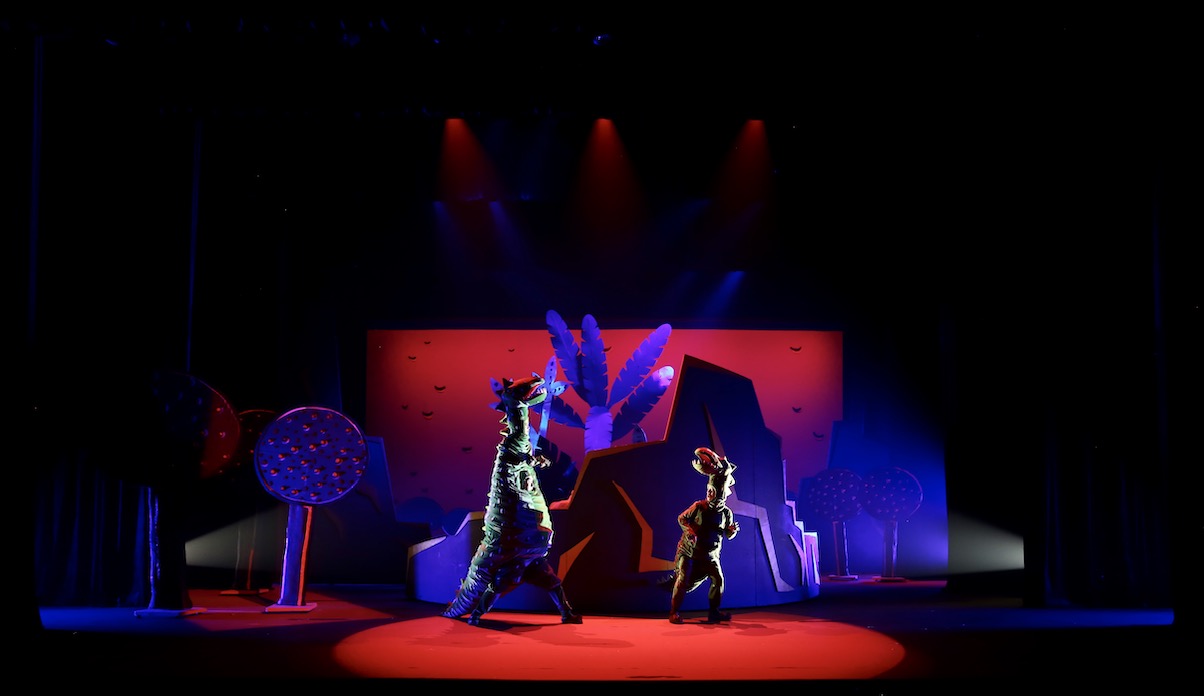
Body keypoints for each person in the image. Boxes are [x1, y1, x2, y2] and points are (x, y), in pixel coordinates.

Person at [668, 447, 739, 624]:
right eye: (710, 490)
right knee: (683, 579)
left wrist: (731, 532)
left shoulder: (726, 513)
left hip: (711, 556)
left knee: (718, 579)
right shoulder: (699, 507)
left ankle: (714, 612)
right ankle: (674, 612)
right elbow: (682, 518)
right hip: (690, 553)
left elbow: (728, 535)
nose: (711, 494)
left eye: (714, 491)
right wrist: (690, 531)